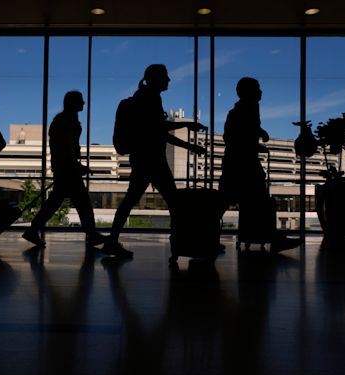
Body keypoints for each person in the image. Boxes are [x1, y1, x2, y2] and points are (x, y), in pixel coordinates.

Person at [102, 64, 206, 258]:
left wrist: (186, 131)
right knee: (174, 203)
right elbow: (158, 130)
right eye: (165, 76)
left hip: (143, 159)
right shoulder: (150, 99)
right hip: (153, 160)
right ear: (156, 79)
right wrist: (187, 131)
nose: (169, 80)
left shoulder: (144, 98)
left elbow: (157, 130)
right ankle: (181, 245)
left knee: (130, 201)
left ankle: (112, 241)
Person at [219, 77, 302, 253]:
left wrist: (257, 137)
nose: (260, 91)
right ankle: (270, 237)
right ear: (248, 91)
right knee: (256, 201)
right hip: (243, 165)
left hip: (238, 163)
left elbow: (236, 137)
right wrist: (258, 135)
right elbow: (236, 138)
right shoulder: (244, 110)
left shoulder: (245, 109)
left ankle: (206, 236)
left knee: (229, 202)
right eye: (257, 88)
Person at [22, 91, 106, 248]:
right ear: (73, 103)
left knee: (56, 202)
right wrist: (77, 166)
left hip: (64, 168)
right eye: (81, 101)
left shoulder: (63, 120)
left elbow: (64, 147)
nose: (84, 103)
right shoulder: (66, 120)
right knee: (81, 202)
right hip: (68, 169)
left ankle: (33, 230)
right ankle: (91, 234)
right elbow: (66, 148)